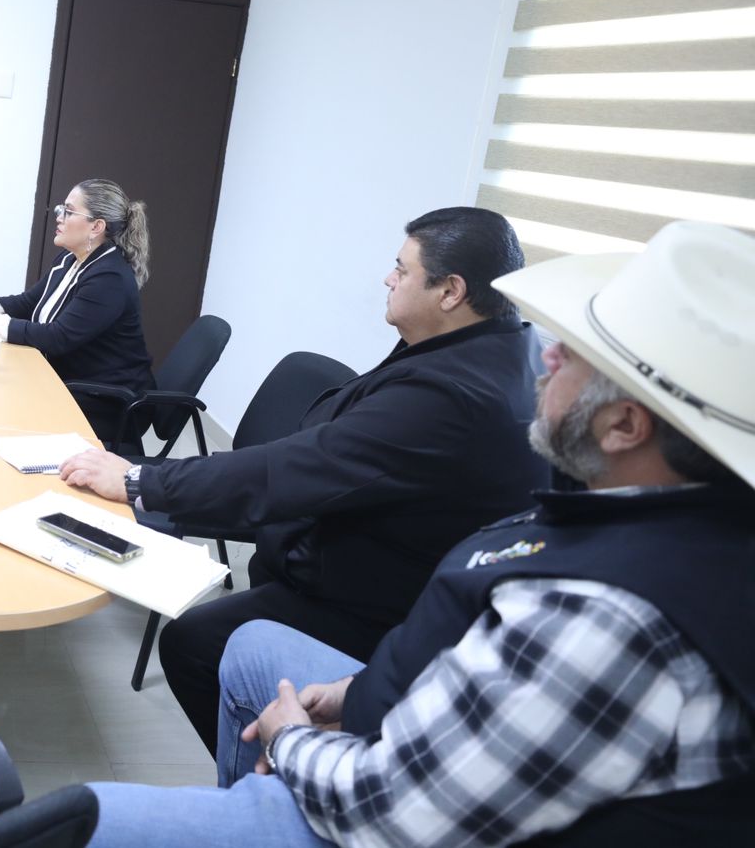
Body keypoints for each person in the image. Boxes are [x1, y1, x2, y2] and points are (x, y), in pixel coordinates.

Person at [83, 219, 755, 847]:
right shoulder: (663, 518)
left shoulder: (604, 619)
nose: (546, 358)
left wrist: (290, 741)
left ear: (626, 427)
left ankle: (264, 811)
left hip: (379, 781)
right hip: (414, 673)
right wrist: (360, 692)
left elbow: (389, 808)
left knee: (82, 821)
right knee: (252, 644)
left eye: (574, 355)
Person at [61, 207, 548, 753]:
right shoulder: (508, 348)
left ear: (451, 291)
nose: (387, 279)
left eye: (401, 268)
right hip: (383, 561)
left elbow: (293, 468)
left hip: (384, 602)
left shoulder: (452, 397)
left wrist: (140, 480)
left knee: (195, 644)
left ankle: (277, 780)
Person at [0, 179, 154, 444]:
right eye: (61, 209)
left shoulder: (109, 277)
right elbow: (30, 302)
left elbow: (58, 337)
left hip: (103, 402)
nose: (59, 217)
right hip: (65, 382)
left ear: (96, 227)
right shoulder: (70, 258)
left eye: (69, 211)